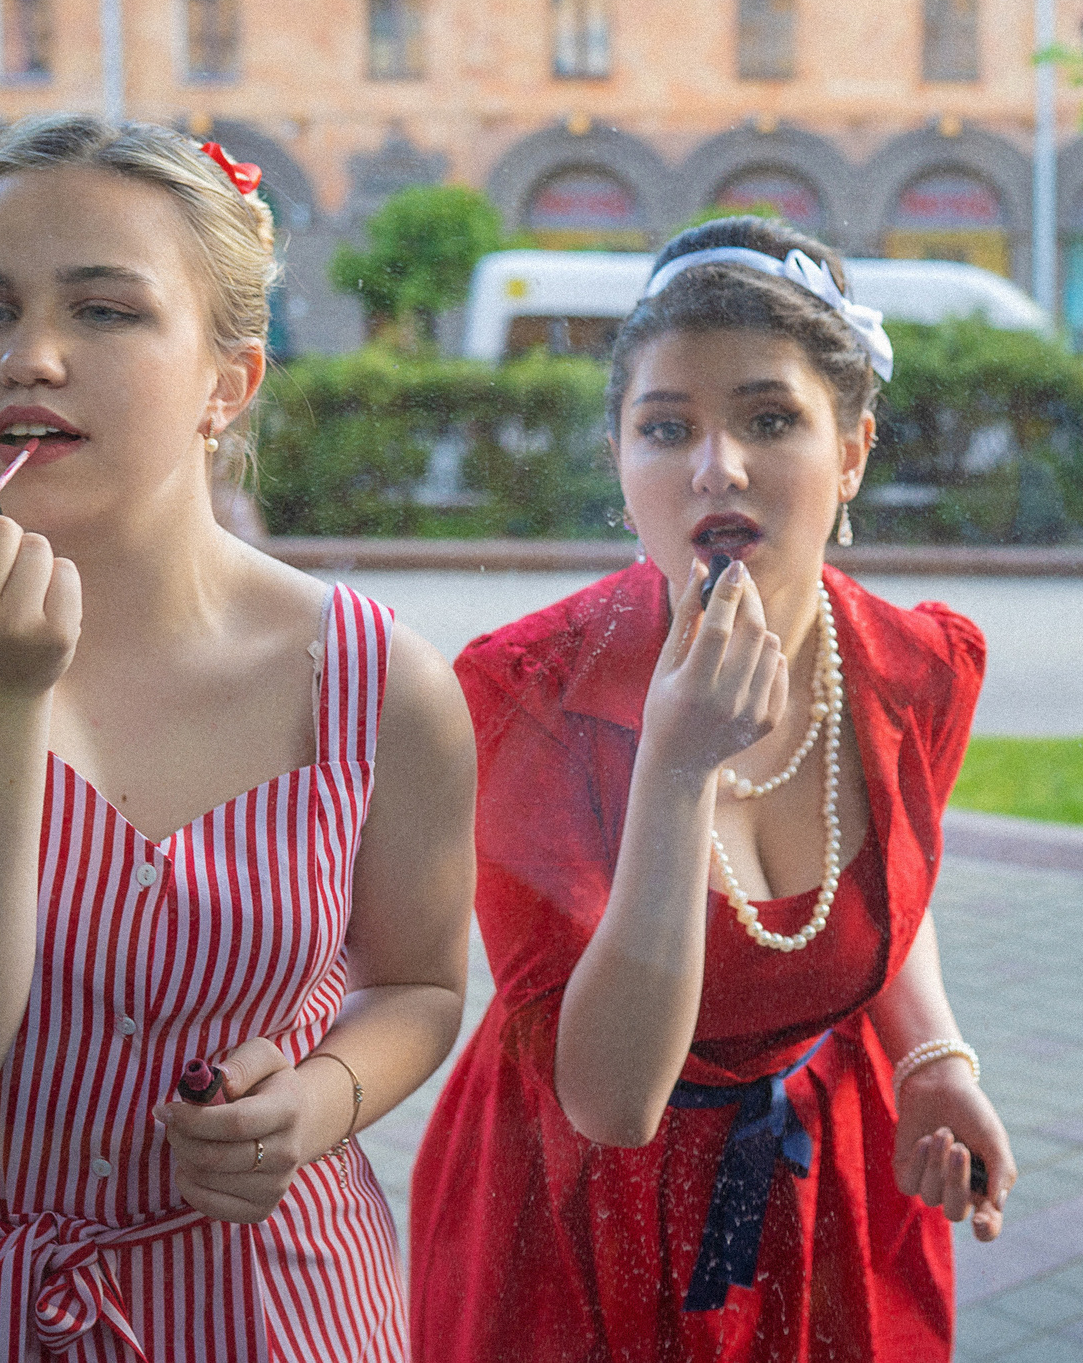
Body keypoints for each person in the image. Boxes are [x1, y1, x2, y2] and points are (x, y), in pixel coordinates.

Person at [0, 115, 479, 1361]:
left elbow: (419, 983)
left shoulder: (377, 680)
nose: (27, 356)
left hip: (277, 1299)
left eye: (104, 312)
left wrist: (319, 1100)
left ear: (229, 380)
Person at [408, 217, 1016, 1361]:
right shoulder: (525, 694)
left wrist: (931, 1055)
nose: (716, 465)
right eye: (666, 426)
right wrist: (676, 767)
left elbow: (890, 884)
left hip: (825, 1180)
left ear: (853, 452)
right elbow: (609, 1098)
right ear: (620, 465)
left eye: (769, 418)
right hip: (576, 1206)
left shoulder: (918, 666)